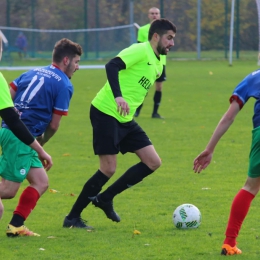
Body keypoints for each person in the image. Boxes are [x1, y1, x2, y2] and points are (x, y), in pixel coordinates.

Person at [63, 19, 176, 229]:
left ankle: (105, 198)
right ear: (156, 36)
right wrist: (118, 96)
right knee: (108, 168)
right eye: (169, 38)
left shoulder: (160, 62)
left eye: (173, 39)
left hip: (125, 118)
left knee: (153, 162)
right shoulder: (140, 50)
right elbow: (112, 65)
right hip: (106, 111)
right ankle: (72, 218)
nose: (172, 43)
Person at [0, 38, 82, 237]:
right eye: (77, 62)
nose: (78, 67)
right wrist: (40, 144)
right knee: (9, 190)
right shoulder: (64, 84)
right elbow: (54, 125)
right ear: (66, 60)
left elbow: (9, 95)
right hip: (22, 137)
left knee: (41, 181)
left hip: (10, 131)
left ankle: (15, 226)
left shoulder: (31, 72)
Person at [193, 69, 260, 255]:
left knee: (250, 187)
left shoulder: (254, 77)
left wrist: (210, 148)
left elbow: (229, 117)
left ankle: (229, 243)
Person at [0, 34, 52, 170]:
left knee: (41, 182)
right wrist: (40, 150)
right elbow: (13, 121)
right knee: (8, 188)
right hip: (15, 135)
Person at [134, 7, 167, 119]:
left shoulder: (165, 30)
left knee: (159, 87)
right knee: (143, 87)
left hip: (160, 63)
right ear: (148, 15)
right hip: (147, 63)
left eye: (156, 13)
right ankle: (137, 110)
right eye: (152, 13)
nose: (154, 15)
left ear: (159, 15)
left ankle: (155, 113)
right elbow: (139, 46)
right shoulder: (143, 30)